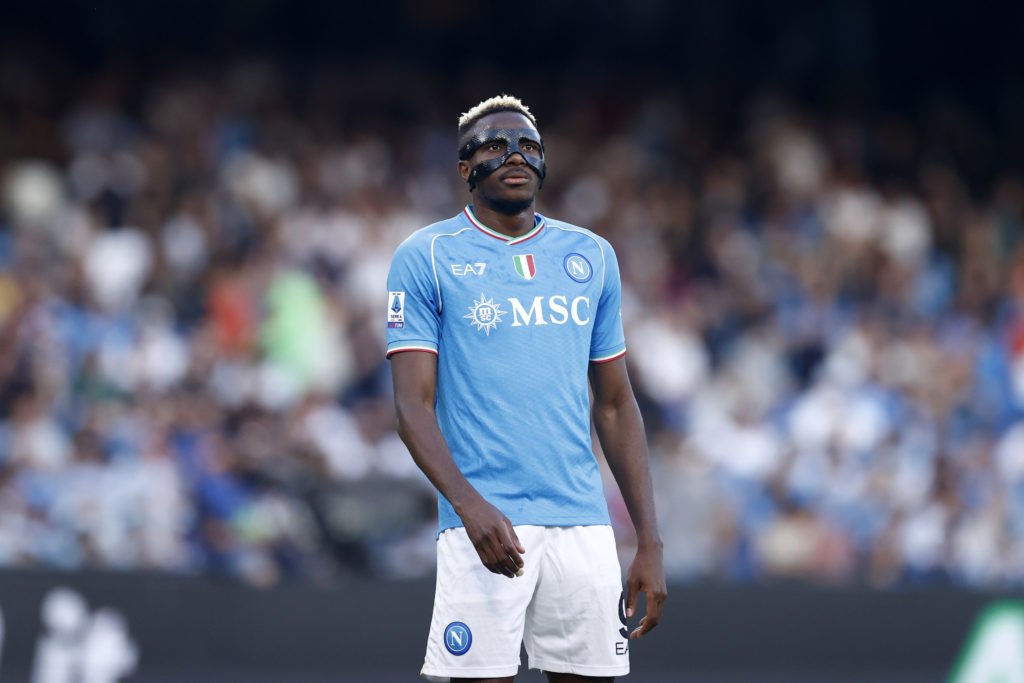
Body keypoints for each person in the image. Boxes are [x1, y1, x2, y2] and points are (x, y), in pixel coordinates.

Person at [386, 94, 666, 682]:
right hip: (485, 522)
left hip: (583, 526)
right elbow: (412, 406)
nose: (515, 155)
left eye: (528, 146)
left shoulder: (590, 255)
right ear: (465, 169)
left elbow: (615, 404)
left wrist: (649, 541)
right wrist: (468, 507)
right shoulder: (427, 256)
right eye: (494, 146)